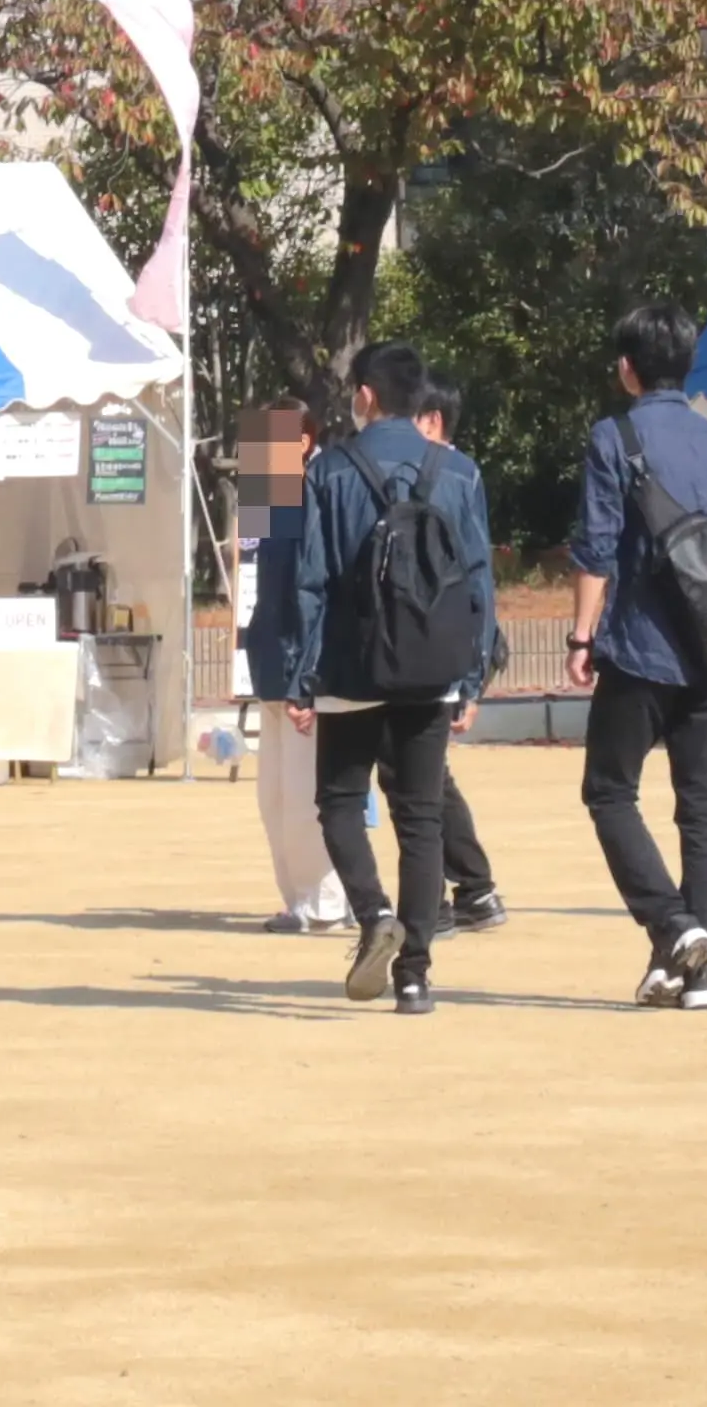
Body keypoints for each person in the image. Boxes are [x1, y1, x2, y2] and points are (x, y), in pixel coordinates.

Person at [293, 339, 489, 1016]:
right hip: (432, 666)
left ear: (367, 396)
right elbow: (480, 581)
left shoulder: (329, 470)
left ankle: (374, 911)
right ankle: (415, 974)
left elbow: (311, 579)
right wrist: (474, 676)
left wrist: (301, 674)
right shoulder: (458, 471)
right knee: (422, 817)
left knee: (340, 802)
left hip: (353, 663)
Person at [562, 305, 707, 1008]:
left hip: (639, 648)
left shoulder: (614, 437)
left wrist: (583, 638)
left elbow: (596, 549)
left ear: (627, 368)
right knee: (702, 808)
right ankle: (698, 973)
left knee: (609, 791)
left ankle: (672, 927)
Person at [231, 408, 342, 928]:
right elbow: (246, 563)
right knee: (273, 798)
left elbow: (314, 590)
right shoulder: (273, 494)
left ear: (302, 441)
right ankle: (298, 898)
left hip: (303, 669)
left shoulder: (320, 488)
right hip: (271, 663)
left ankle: (327, 901)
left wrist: (308, 675)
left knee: (303, 797)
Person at [406, 384, 504, 925]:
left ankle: (462, 891)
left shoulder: (456, 473)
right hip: (438, 643)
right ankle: (468, 889)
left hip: (428, 644)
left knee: (421, 777)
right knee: (423, 773)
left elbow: (477, 574)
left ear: (434, 420)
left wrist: (474, 674)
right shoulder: (462, 473)